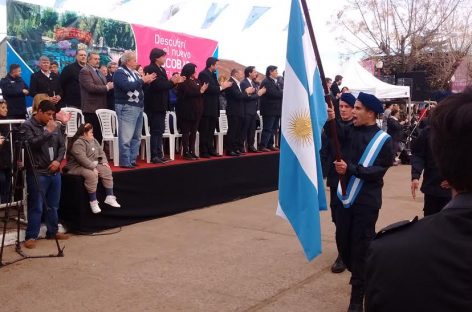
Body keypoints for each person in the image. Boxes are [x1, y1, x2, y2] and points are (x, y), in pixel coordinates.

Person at [365, 88, 472, 312]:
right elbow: (420, 155)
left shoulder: (391, 254)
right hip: (435, 190)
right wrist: (416, 176)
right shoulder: (426, 134)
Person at [327, 92, 392, 312]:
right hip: (344, 200)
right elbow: (333, 133)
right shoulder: (349, 131)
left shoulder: (383, 140)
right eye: (352, 107)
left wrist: (352, 170)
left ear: (371, 113)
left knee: (361, 247)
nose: (352, 112)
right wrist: (331, 118)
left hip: (366, 201)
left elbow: (379, 170)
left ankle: (357, 299)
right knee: (343, 243)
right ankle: (361, 273)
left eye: (357, 108)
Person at [21, 100, 69, 249]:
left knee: (53, 205)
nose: (50, 117)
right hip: (37, 171)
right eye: (48, 114)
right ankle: (31, 236)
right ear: (39, 111)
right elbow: (31, 144)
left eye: (52, 115)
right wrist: (47, 132)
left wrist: (58, 161)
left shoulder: (53, 125)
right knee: (37, 205)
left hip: (54, 171)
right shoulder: (27, 126)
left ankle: (52, 231)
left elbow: (62, 146)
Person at [321, 92, 356, 274]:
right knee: (338, 218)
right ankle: (342, 251)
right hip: (336, 180)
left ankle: (347, 252)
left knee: (352, 218)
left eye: (346, 107)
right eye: (340, 106)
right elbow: (326, 149)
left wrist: (332, 122)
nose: (343, 110)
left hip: (353, 180)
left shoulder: (356, 128)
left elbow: (344, 137)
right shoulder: (332, 127)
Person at [64, 123, 120, 213]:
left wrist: (104, 162)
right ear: (84, 133)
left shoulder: (93, 140)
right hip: (76, 166)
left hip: (91, 163)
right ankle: (93, 202)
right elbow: (82, 159)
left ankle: (110, 196)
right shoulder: (78, 143)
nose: (92, 134)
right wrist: (92, 167)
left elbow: (101, 152)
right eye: (91, 132)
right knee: (91, 174)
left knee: (106, 170)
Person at [113, 51, 156, 168]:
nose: (136, 62)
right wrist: (143, 80)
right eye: (134, 60)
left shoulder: (134, 73)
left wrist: (147, 82)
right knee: (126, 136)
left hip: (138, 107)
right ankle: (125, 161)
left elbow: (139, 88)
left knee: (136, 136)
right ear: (127, 61)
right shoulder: (119, 73)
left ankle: (132, 159)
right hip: (127, 107)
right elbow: (127, 87)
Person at [144, 48, 182, 164]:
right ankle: (154, 155)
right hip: (154, 104)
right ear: (156, 58)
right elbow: (158, 85)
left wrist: (172, 82)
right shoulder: (150, 68)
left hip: (162, 104)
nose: (165, 59)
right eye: (163, 56)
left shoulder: (162, 69)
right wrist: (172, 82)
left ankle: (160, 154)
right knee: (155, 130)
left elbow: (165, 85)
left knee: (160, 130)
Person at [410, 114, 451, 216]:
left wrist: (457, 179)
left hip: (456, 190)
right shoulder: (428, 132)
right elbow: (418, 154)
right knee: (430, 220)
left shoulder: (461, 131)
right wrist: (415, 176)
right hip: (432, 187)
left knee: (451, 224)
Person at [197, 57, 232, 158]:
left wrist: (223, 87)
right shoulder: (203, 74)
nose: (217, 67)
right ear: (211, 65)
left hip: (214, 107)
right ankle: (204, 151)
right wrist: (222, 87)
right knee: (205, 130)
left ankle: (210, 149)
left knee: (211, 130)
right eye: (216, 65)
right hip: (206, 106)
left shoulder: (213, 75)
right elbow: (209, 89)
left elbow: (217, 89)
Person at [79, 52, 114, 144]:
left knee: (99, 134)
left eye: (98, 59)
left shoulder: (99, 71)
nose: (97, 61)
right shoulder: (85, 71)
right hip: (91, 108)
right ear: (88, 60)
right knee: (91, 134)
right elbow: (91, 87)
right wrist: (107, 87)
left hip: (101, 107)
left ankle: (98, 154)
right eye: (95, 59)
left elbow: (103, 86)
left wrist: (109, 86)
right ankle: (91, 154)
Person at [176, 63, 208, 160]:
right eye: (194, 69)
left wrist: (201, 90)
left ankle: (192, 151)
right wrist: (200, 91)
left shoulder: (196, 80)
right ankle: (185, 152)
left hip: (196, 111)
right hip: (186, 110)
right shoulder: (183, 80)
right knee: (186, 132)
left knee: (194, 131)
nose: (195, 71)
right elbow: (187, 93)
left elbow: (199, 92)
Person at [240, 66, 266, 152]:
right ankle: (241, 146)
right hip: (246, 109)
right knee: (245, 129)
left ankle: (251, 146)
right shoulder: (244, 83)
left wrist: (258, 94)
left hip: (253, 110)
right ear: (249, 73)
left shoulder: (254, 83)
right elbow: (247, 97)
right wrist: (258, 94)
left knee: (252, 129)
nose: (256, 73)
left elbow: (254, 96)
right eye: (254, 72)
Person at [259, 65, 283, 152]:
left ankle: (270, 144)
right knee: (268, 128)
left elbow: (279, 92)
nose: (277, 72)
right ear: (270, 72)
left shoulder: (275, 81)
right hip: (269, 109)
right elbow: (273, 93)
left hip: (276, 110)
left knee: (274, 128)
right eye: (275, 71)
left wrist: (280, 92)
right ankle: (263, 145)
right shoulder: (266, 81)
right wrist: (282, 93)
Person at [224, 68, 247, 156]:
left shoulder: (238, 83)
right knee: (232, 131)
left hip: (239, 110)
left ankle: (235, 148)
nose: (242, 75)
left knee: (238, 131)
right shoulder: (231, 82)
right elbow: (237, 95)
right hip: (233, 111)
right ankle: (229, 150)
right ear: (236, 74)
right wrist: (246, 92)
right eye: (241, 73)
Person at [0, 100, 12, 203]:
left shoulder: (9, 123)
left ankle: (5, 206)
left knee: (8, 182)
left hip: (7, 157)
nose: (6, 110)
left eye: (6, 107)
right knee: (2, 180)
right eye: (3, 107)